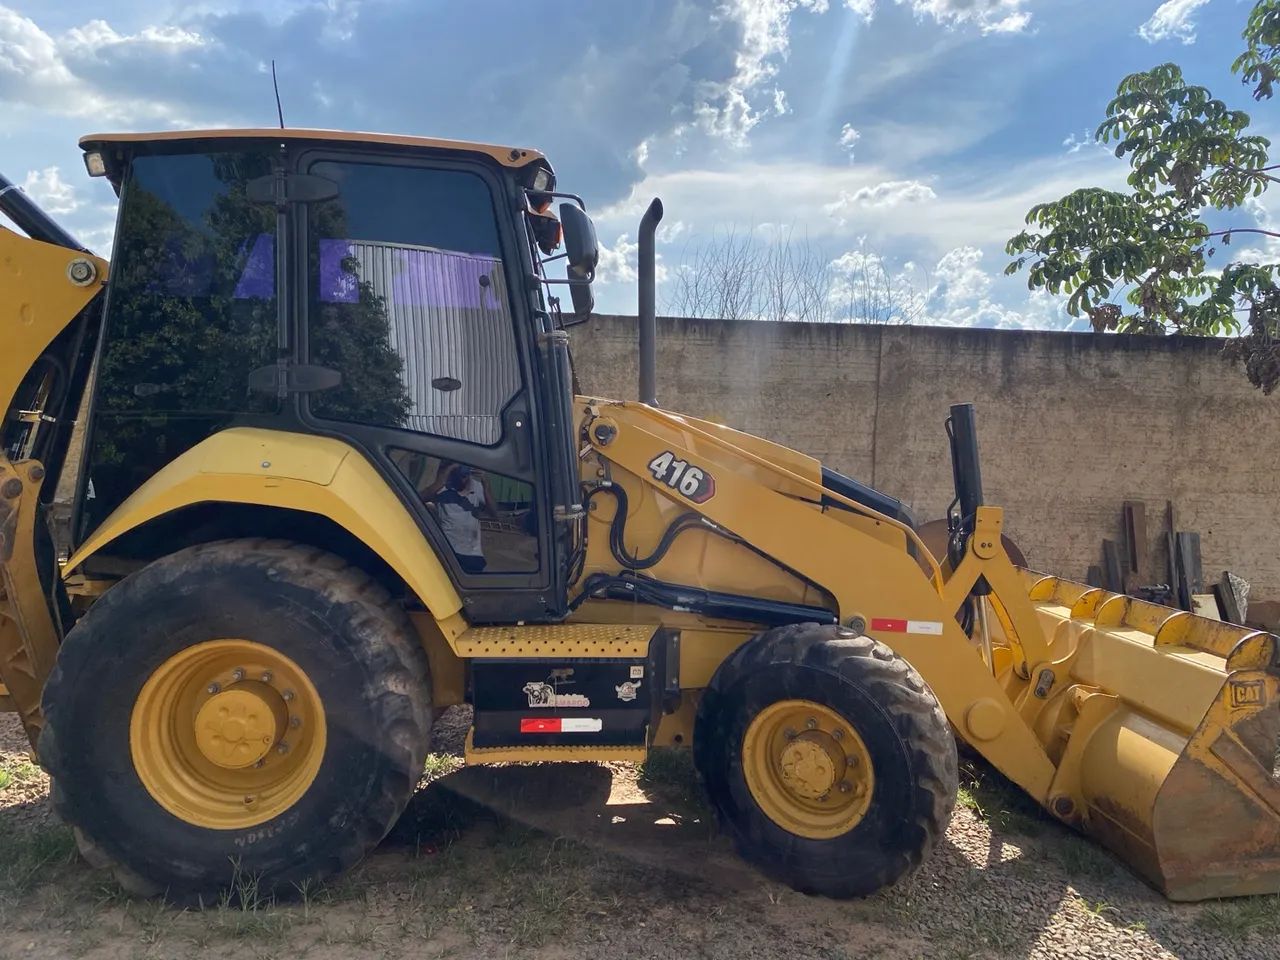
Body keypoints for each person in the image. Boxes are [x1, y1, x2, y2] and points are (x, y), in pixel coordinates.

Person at [422, 461, 496, 574]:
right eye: (459, 474)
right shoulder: (442, 487)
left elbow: (494, 513)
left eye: (465, 475)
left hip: (472, 552)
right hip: (447, 549)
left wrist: (487, 486)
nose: (463, 480)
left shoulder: (477, 487)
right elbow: (421, 498)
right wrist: (442, 479)